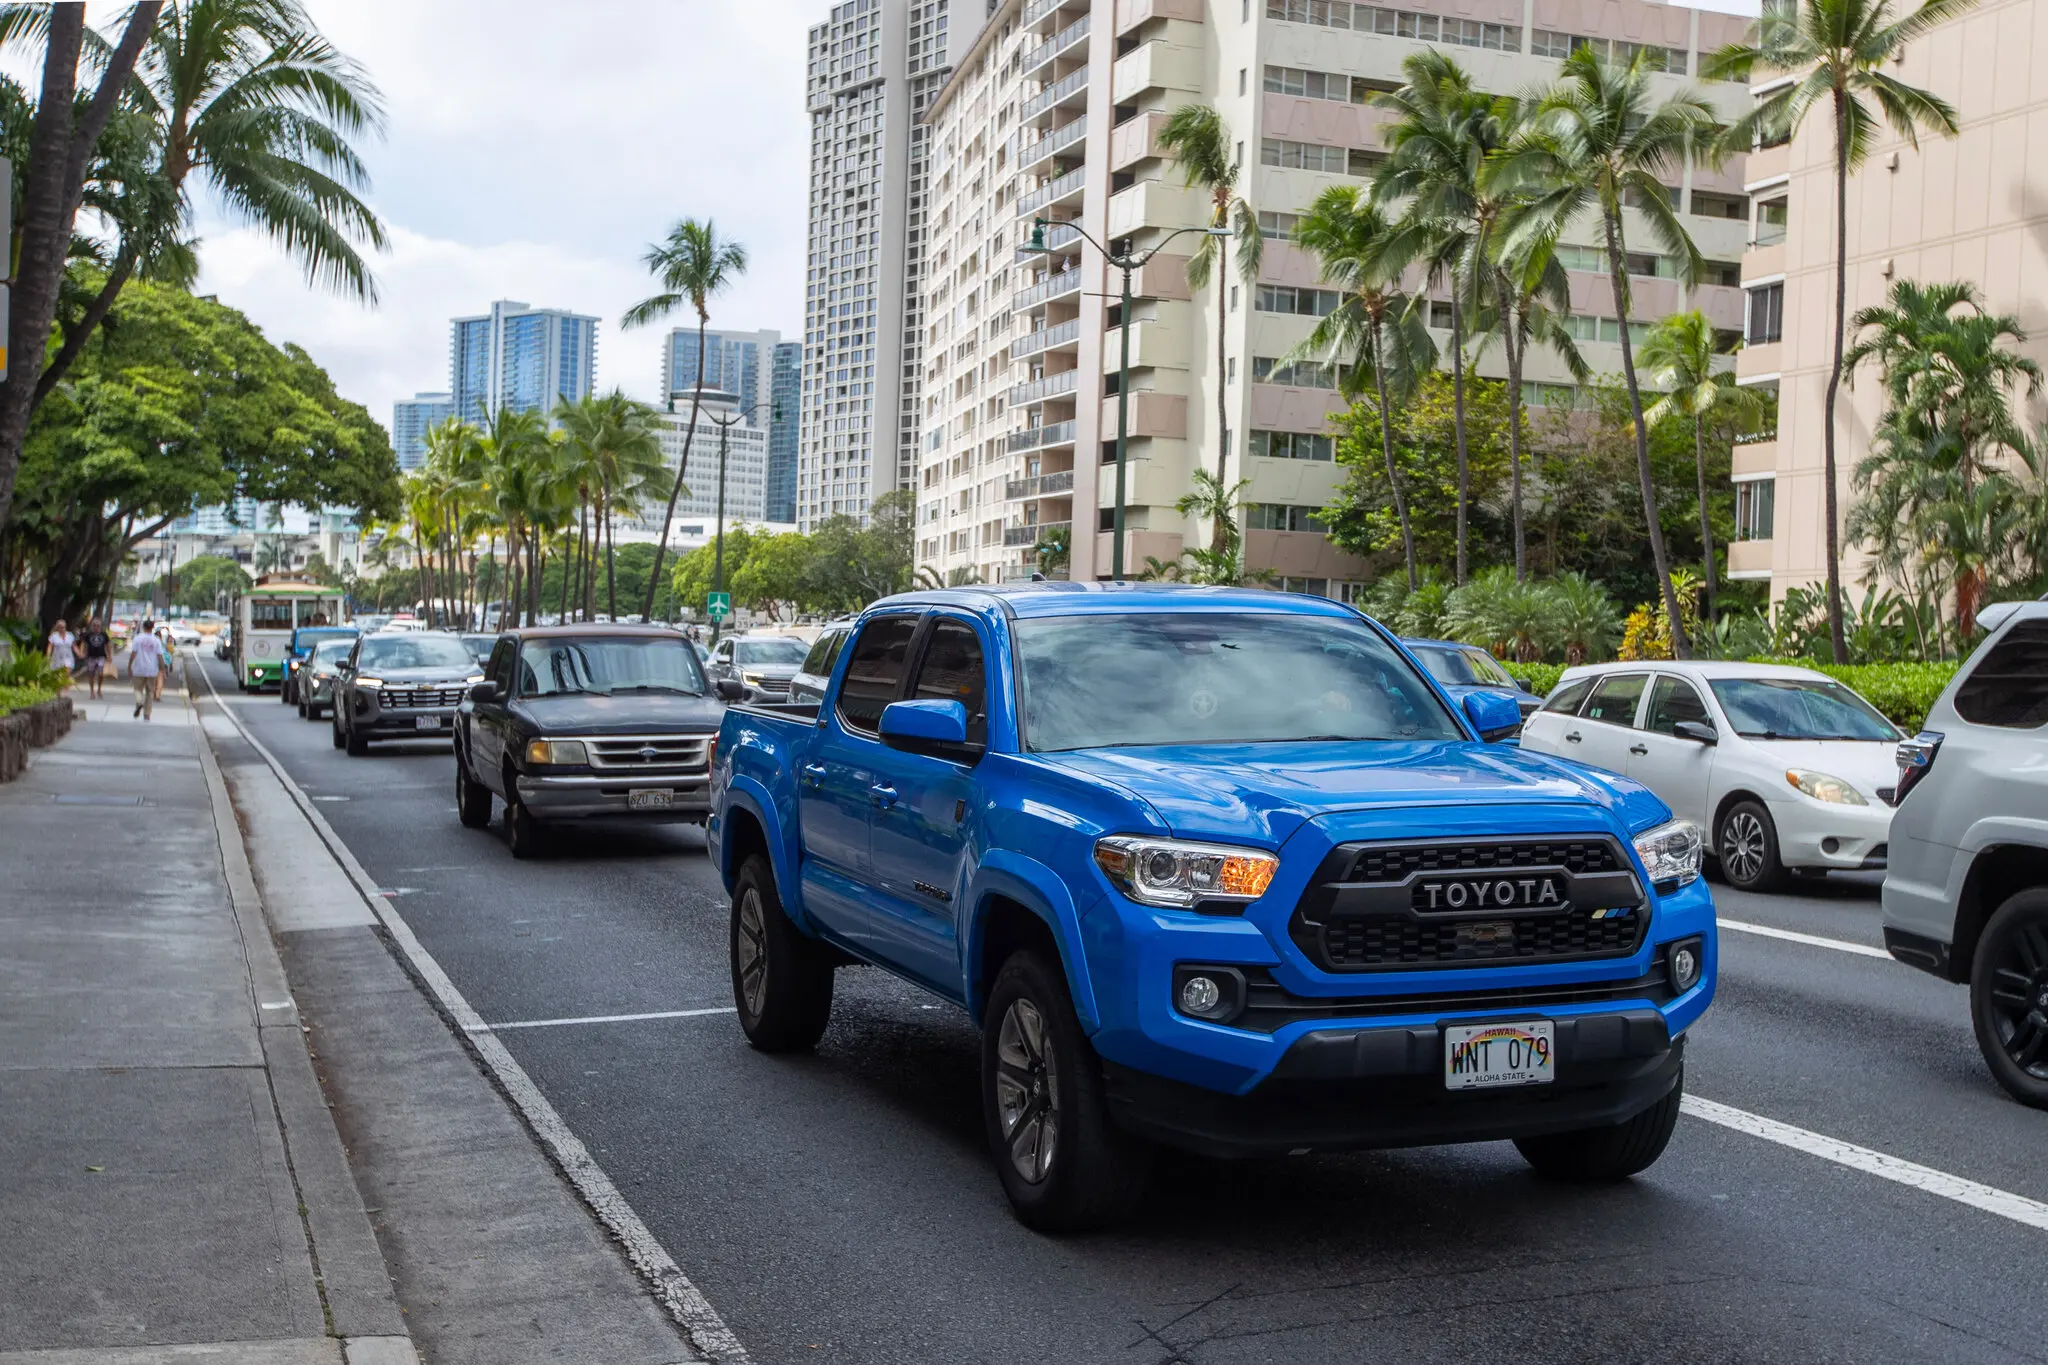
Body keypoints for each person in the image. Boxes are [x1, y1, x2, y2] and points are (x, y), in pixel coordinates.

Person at [128, 620, 164, 720]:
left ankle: (139, 702)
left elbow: (133, 653)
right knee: (150, 692)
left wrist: (129, 666)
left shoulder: (137, 639)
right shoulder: (156, 640)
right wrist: (162, 669)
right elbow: (159, 655)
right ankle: (147, 714)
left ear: (143, 627)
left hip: (139, 668)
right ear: (152, 628)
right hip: (152, 670)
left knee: (137, 689)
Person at [79, 617, 112, 699]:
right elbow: (83, 644)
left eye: (97, 626)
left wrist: (109, 655)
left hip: (101, 657)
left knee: (101, 674)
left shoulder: (104, 635)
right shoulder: (88, 635)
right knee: (91, 675)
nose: (96, 627)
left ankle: (99, 689)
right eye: (94, 625)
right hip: (91, 657)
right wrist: (81, 652)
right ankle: (92, 691)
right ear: (91, 626)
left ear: (100, 626)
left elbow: (108, 646)